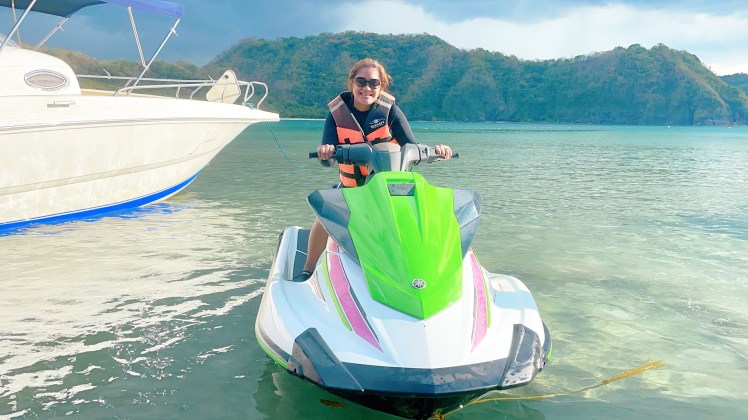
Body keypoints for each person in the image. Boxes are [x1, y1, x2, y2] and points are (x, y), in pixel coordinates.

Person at [293, 58, 452, 281]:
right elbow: (327, 162)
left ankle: (425, 268)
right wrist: (325, 153)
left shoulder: (390, 111)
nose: (366, 88)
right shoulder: (337, 115)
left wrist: (437, 152)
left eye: (373, 83)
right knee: (325, 216)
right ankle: (308, 268)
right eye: (361, 82)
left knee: (422, 219)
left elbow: (412, 148)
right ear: (352, 83)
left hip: (391, 190)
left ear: (381, 86)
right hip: (354, 188)